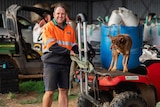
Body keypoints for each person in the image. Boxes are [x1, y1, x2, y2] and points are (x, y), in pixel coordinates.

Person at [41, 2, 78, 107]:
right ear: (54, 14)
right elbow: (52, 46)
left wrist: (76, 53)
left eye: (62, 14)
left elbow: (73, 44)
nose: (60, 16)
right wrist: (68, 52)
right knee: (50, 91)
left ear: (65, 15)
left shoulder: (70, 29)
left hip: (65, 64)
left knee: (64, 90)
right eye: (58, 13)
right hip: (51, 63)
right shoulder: (48, 27)